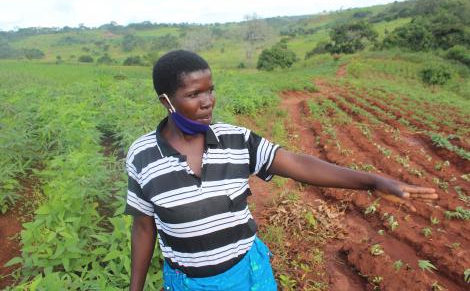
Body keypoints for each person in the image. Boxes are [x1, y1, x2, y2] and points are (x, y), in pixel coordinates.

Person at [124, 50, 437, 291]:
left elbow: (297, 164)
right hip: (187, 282)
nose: (208, 102)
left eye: (210, 90)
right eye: (194, 94)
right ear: (166, 100)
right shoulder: (142, 156)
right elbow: (143, 227)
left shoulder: (236, 140)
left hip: (248, 275)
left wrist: (372, 181)